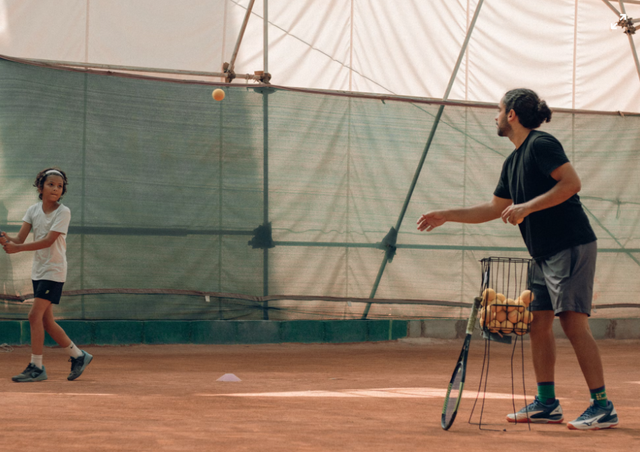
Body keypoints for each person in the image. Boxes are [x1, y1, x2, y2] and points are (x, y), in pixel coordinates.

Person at [416, 88, 618, 430]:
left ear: (511, 114)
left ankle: (602, 406)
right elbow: (495, 208)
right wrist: (447, 214)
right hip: (542, 253)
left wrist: (528, 205)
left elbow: (571, 184)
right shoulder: (512, 161)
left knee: (571, 322)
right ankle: (547, 403)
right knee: (537, 324)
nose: (495, 116)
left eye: (498, 110)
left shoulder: (542, 144)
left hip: (570, 245)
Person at [1, 168, 93, 382]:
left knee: (34, 316)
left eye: (59, 186)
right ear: (40, 187)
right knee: (47, 321)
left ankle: (37, 367)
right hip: (39, 271)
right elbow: (20, 240)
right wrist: (6, 239)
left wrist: (17, 249)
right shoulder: (33, 210)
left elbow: (48, 241)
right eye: (51, 184)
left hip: (54, 270)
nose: (55, 189)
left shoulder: (64, 212)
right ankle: (79, 356)